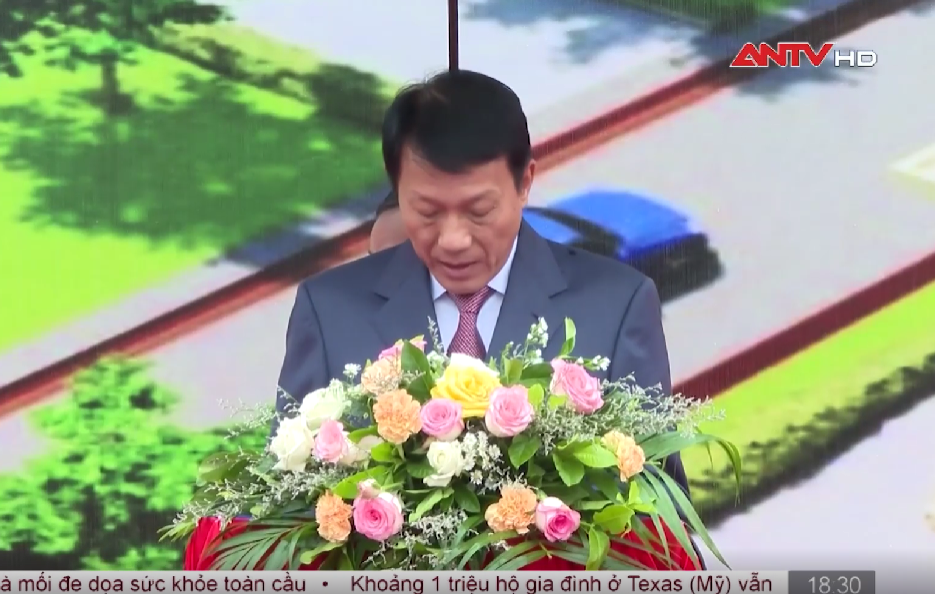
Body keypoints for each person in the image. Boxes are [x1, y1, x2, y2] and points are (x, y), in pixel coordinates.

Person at [276, 69, 689, 496]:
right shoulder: (329, 313)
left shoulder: (617, 307)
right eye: (427, 211)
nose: (453, 240)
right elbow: (280, 508)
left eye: (478, 211)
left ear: (524, 183)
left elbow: (664, 509)